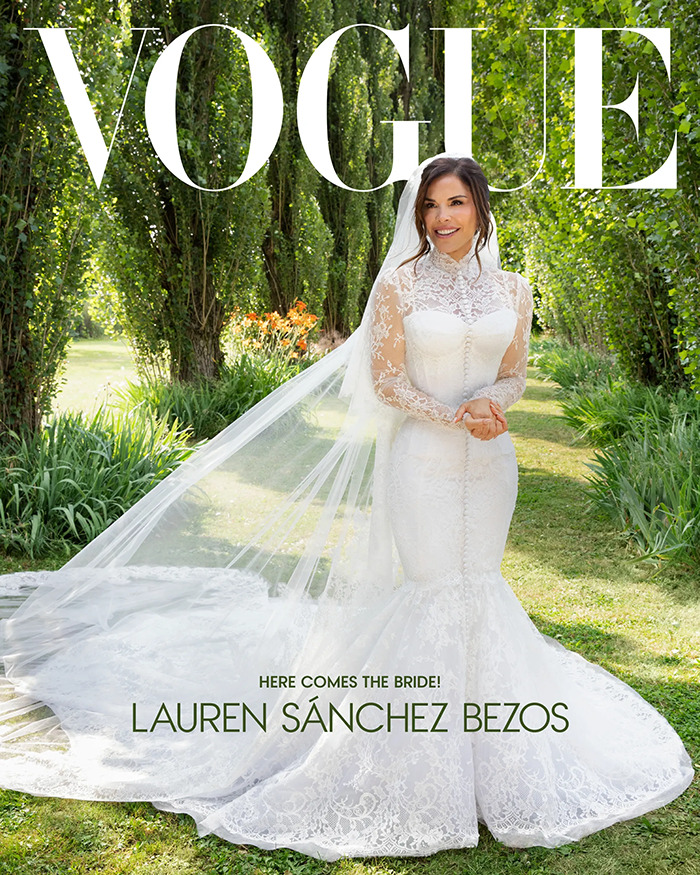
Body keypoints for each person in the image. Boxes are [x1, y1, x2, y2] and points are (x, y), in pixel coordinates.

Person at [0, 153, 693, 861]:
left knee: (480, 588)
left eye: (455, 203)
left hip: (491, 464)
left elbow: (514, 371)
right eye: (430, 206)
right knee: (432, 591)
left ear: (480, 208)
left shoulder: (514, 289)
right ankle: (413, 767)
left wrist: (496, 404)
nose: (441, 219)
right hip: (421, 459)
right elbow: (388, 379)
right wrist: (453, 416)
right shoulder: (400, 284)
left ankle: (498, 765)